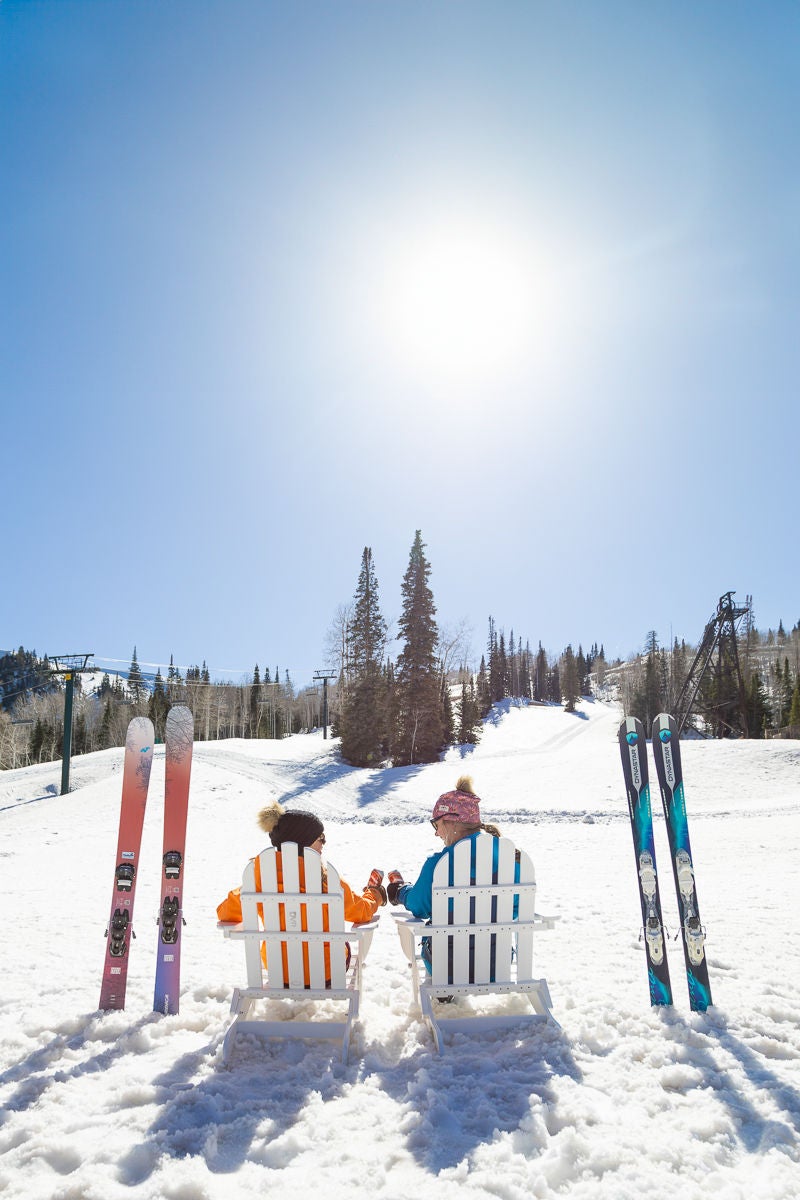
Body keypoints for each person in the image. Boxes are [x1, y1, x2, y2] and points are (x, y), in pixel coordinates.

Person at [217, 801, 385, 984]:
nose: (324, 843)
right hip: (327, 972)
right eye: (320, 838)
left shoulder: (259, 876)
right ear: (303, 840)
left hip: (278, 971)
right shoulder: (327, 878)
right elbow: (360, 912)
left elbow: (225, 913)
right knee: (341, 944)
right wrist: (374, 895)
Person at [387, 775, 519, 975]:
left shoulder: (439, 865)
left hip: (448, 965)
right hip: (498, 961)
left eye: (436, 825)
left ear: (452, 823)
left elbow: (419, 906)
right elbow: (515, 909)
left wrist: (400, 892)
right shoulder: (510, 859)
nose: (436, 833)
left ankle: (445, 992)